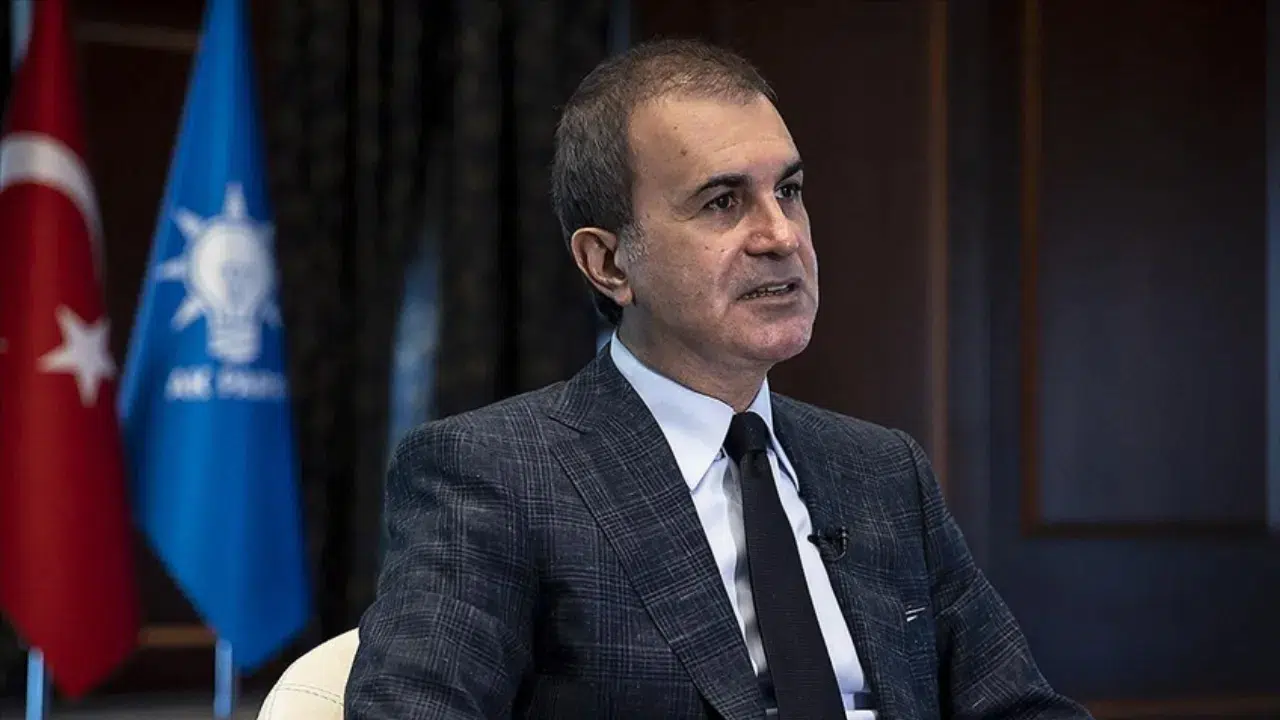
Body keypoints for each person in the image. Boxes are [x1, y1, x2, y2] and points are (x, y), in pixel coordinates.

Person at [344, 38, 1092, 720]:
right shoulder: (495, 475)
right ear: (608, 263)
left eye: (789, 191)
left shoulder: (882, 472)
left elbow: (1021, 709)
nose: (781, 236)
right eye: (723, 202)